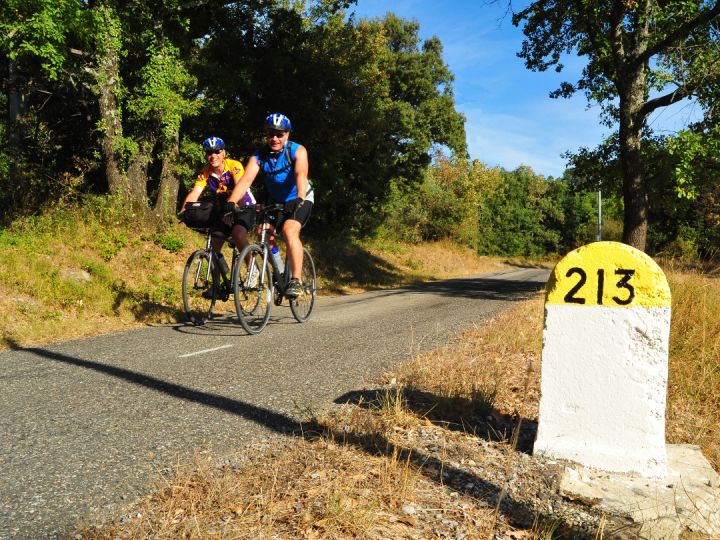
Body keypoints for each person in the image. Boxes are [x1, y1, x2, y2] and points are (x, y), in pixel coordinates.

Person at [225, 113, 313, 298]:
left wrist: (298, 197)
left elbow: (301, 175)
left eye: (279, 134)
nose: (275, 138)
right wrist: (231, 202)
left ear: (287, 134)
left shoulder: (297, 150)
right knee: (263, 233)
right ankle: (280, 272)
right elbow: (246, 180)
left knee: (290, 231)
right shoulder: (259, 155)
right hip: (275, 200)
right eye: (271, 134)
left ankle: (295, 280)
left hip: (300, 196)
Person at [181, 136, 256, 292]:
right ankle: (216, 285)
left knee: (238, 234)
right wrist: (184, 211)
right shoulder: (206, 172)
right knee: (215, 245)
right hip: (225, 210)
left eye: (217, 151)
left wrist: (233, 202)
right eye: (209, 152)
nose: (213, 155)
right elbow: (195, 192)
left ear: (224, 153)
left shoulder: (234, 166)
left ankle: (252, 268)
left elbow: (241, 186)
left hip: (244, 205)